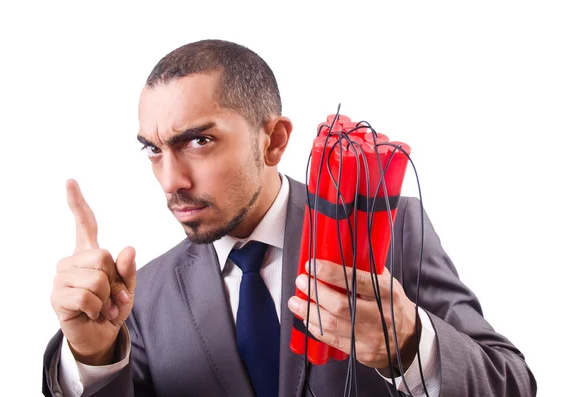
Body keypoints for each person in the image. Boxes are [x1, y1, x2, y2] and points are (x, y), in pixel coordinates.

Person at [42, 39, 536, 397]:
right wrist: (93, 359)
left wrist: (409, 342)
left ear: (274, 140)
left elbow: (512, 384)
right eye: (153, 150)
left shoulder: (390, 229)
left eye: (198, 141)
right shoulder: (138, 300)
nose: (171, 180)